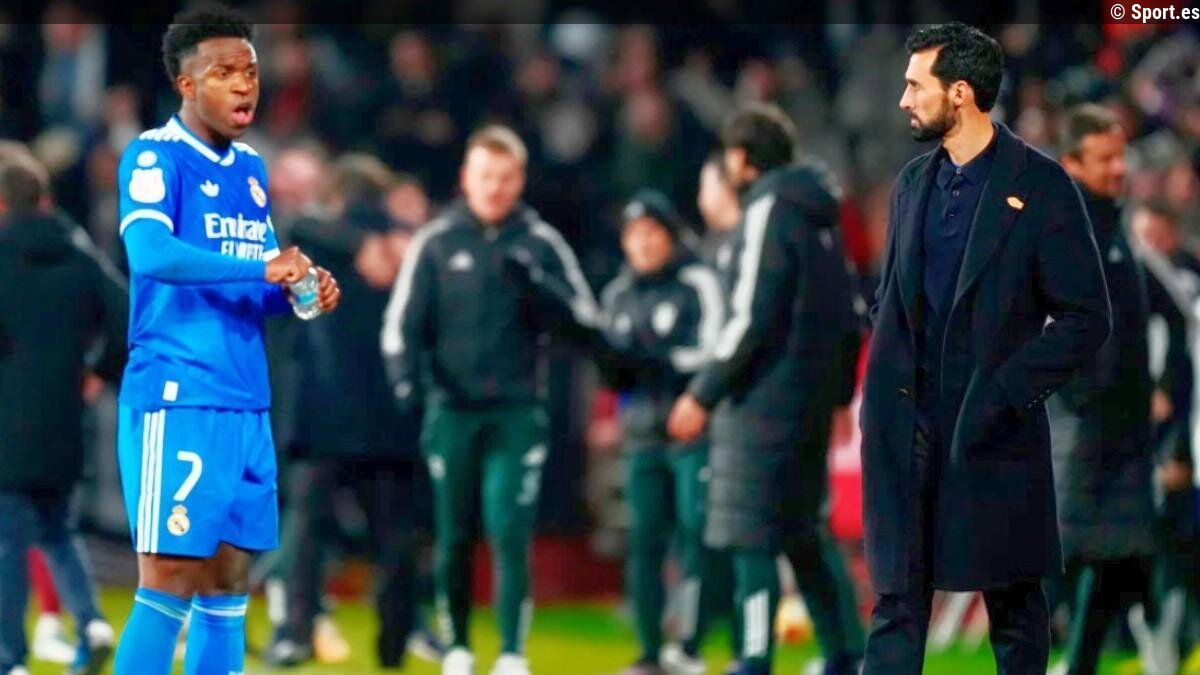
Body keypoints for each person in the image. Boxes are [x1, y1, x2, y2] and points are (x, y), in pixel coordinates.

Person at [859, 23, 1111, 675]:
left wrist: (1006, 392)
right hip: (906, 430)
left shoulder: (1043, 185)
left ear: (961, 93)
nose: (904, 99)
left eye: (916, 85)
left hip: (992, 429)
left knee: (1015, 608)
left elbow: (1087, 317)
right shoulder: (911, 183)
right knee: (895, 607)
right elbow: (892, 298)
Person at [110, 7, 341, 675]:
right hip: (180, 393)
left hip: (246, 400)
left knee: (229, 581)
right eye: (224, 73)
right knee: (169, 577)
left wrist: (299, 289)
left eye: (252, 71)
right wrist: (262, 268)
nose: (244, 84)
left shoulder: (250, 169)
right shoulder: (154, 155)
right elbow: (151, 252)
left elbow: (255, 284)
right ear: (187, 84)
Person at [381, 124, 600, 675]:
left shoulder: (541, 243)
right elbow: (401, 327)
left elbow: (587, 323)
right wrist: (409, 385)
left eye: (505, 177)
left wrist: (540, 288)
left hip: (517, 412)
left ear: (520, 180)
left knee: (509, 529)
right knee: (453, 533)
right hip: (452, 411)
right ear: (466, 178)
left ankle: (511, 653)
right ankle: (457, 647)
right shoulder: (436, 241)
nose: (495, 188)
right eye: (486, 176)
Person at [667, 102, 865, 675]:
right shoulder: (821, 216)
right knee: (803, 533)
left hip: (762, 402)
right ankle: (846, 656)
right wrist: (838, 397)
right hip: (808, 402)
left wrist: (702, 393)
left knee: (750, 533)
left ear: (740, 159)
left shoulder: (766, 210)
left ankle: (754, 659)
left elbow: (751, 316)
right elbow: (849, 313)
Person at [266, 153, 437, 669]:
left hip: (323, 415)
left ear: (337, 196)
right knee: (395, 538)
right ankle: (394, 641)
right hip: (390, 417)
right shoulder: (408, 247)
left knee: (306, 533)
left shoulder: (317, 241)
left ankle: (295, 633)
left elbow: (295, 225)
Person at [1048, 104, 1190, 675]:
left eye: (1119, 156)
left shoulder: (1115, 228)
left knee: (1119, 560)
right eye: (1103, 158)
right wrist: (1081, 395)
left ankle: (1086, 662)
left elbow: (1172, 311)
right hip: (1082, 432)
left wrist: (1156, 386)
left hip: (1123, 434)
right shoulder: (1062, 231)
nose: (1117, 168)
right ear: (1071, 164)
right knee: (1072, 558)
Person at [0, 150, 127, 675]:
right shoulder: (79, 253)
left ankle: (10, 658)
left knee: (8, 543)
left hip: (8, 421)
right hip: (66, 418)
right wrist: (99, 371)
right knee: (58, 530)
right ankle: (92, 623)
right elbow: (126, 318)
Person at [598, 190, 724, 675]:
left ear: (671, 236)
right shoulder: (617, 294)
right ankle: (649, 652)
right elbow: (612, 368)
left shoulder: (697, 283)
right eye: (635, 234)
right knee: (643, 541)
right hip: (641, 437)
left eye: (653, 232)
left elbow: (712, 352)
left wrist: (652, 361)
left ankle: (689, 645)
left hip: (693, 433)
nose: (644, 243)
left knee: (696, 533)